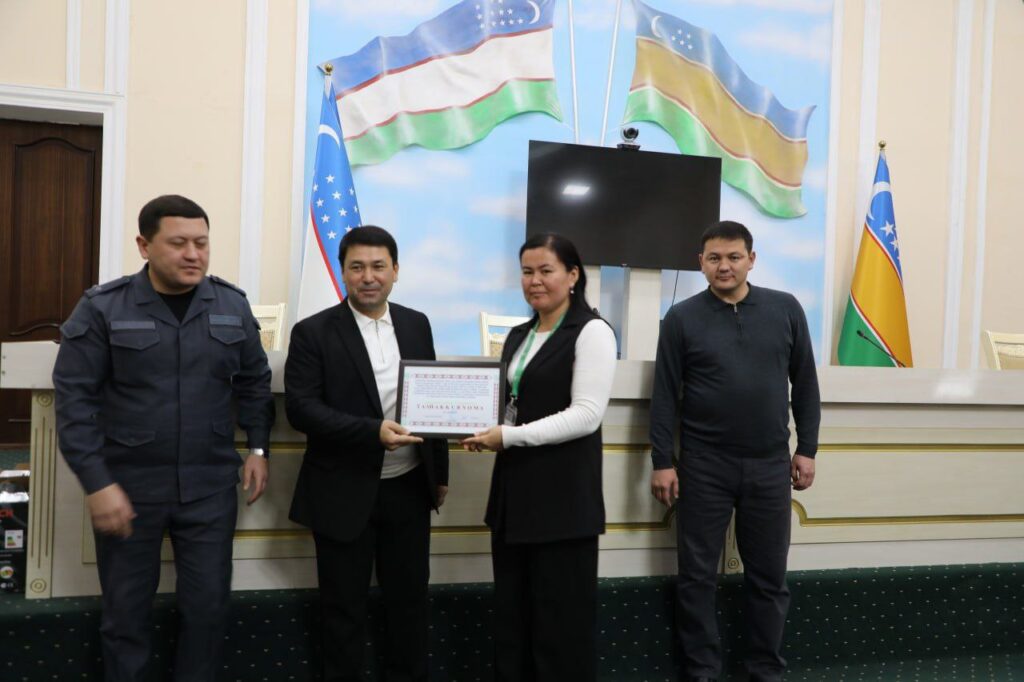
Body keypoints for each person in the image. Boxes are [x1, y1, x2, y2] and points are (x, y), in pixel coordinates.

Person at [52, 194, 275, 681]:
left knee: (208, 609)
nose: (193, 254)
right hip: (129, 487)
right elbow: (74, 404)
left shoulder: (231, 304)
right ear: (144, 246)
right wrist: (97, 482)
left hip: (209, 486)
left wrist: (258, 447)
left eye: (201, 243)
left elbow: (256, 382)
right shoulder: (103, 308)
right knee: (126, 616)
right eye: (178, 243)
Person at [648, 220, 820, 682]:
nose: (724, 266)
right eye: (714, 258)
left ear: (751, 259)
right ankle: (702, 670)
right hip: (703, 465)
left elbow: (806, 384)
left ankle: (765, 669)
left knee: (769, 577)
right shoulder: (681, 318)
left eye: (733, 257)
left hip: (770, 465)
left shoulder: (785, 309)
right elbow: (663, 396)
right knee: (697, 577)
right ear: (700, 263)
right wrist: (662, 461)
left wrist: (807, 449)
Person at [285, 225, 449, 682]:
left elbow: (431, 398)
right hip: (341, 489)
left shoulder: (416, 324)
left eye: (378, 266)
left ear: (396, 270)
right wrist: (371, 432)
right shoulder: (313, 332)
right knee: (342, 611)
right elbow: (301, 410)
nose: (368, 276)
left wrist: (439, 473)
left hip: (409, 490)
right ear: (343, 272)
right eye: (357, 267)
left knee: (410, 605)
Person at [463, 232, 617, 682]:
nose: (535, 280)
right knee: (513, 623)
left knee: (560, 630)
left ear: (572, 275)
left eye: (546, 270)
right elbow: (511, 403)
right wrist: (471, 425)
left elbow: (586, 415)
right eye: (527, 271)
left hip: (564, 504)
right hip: (514, 500)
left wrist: (508, 437)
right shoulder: (519, 335)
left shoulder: (592, 332)